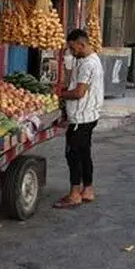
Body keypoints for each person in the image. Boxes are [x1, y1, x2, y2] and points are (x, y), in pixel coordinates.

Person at [54, 29, 104, 209]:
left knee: (73, 155)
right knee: (84, 153)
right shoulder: (92, 59)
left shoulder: (87, 65)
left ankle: (75, 194)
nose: (71, 51)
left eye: (73, 48)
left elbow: (78, 93)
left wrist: (60, 94)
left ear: (82, 44)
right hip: (90, 116)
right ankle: (88, 190)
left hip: (81, 118)